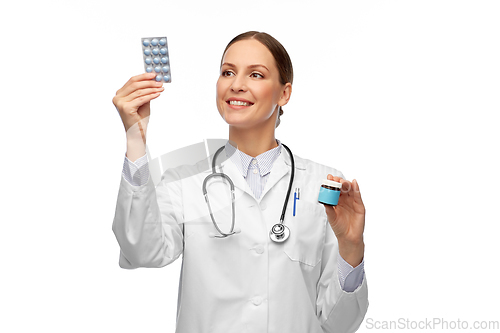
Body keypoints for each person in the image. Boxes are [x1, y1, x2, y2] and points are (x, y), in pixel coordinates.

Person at [112, 31, 368, 333]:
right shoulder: (186, 180)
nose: (236, 84)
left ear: (284, 94)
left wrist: (352, 249)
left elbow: (340, 324)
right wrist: (135, 137)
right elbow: (141, 250)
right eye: (227, 72)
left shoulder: (323, 186)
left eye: (256, 74)